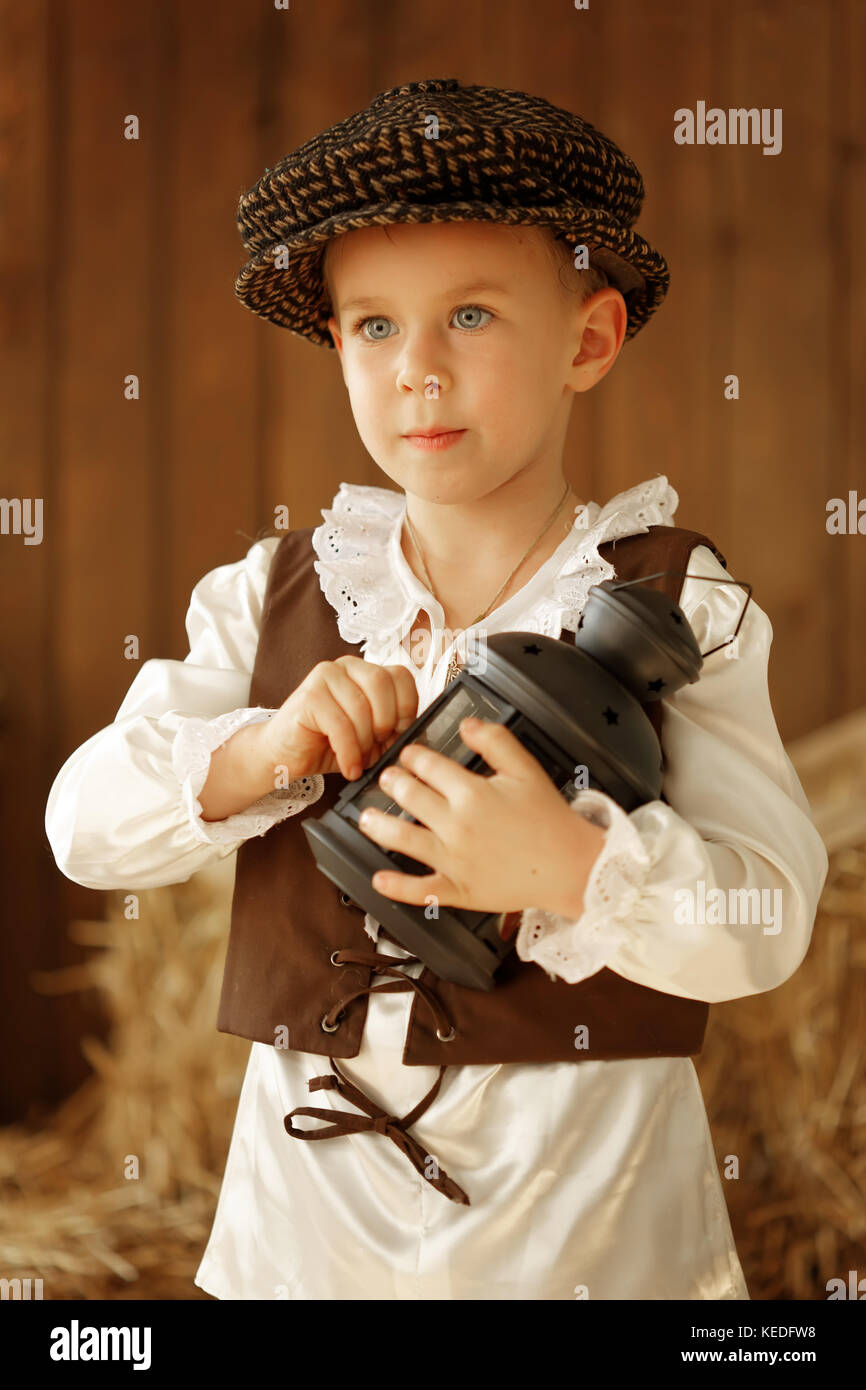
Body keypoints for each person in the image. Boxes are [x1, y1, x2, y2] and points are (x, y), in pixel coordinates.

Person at [45, 79, 829, 1299]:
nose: (414, 369)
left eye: (467, 315)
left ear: (587, 340)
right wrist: (261, 750)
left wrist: (576, 870)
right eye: (371, 325)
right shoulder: (272, 595)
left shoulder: (682, 606)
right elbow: (81, 828)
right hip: (307, 1235)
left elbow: (766, 923)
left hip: (584, 1230)